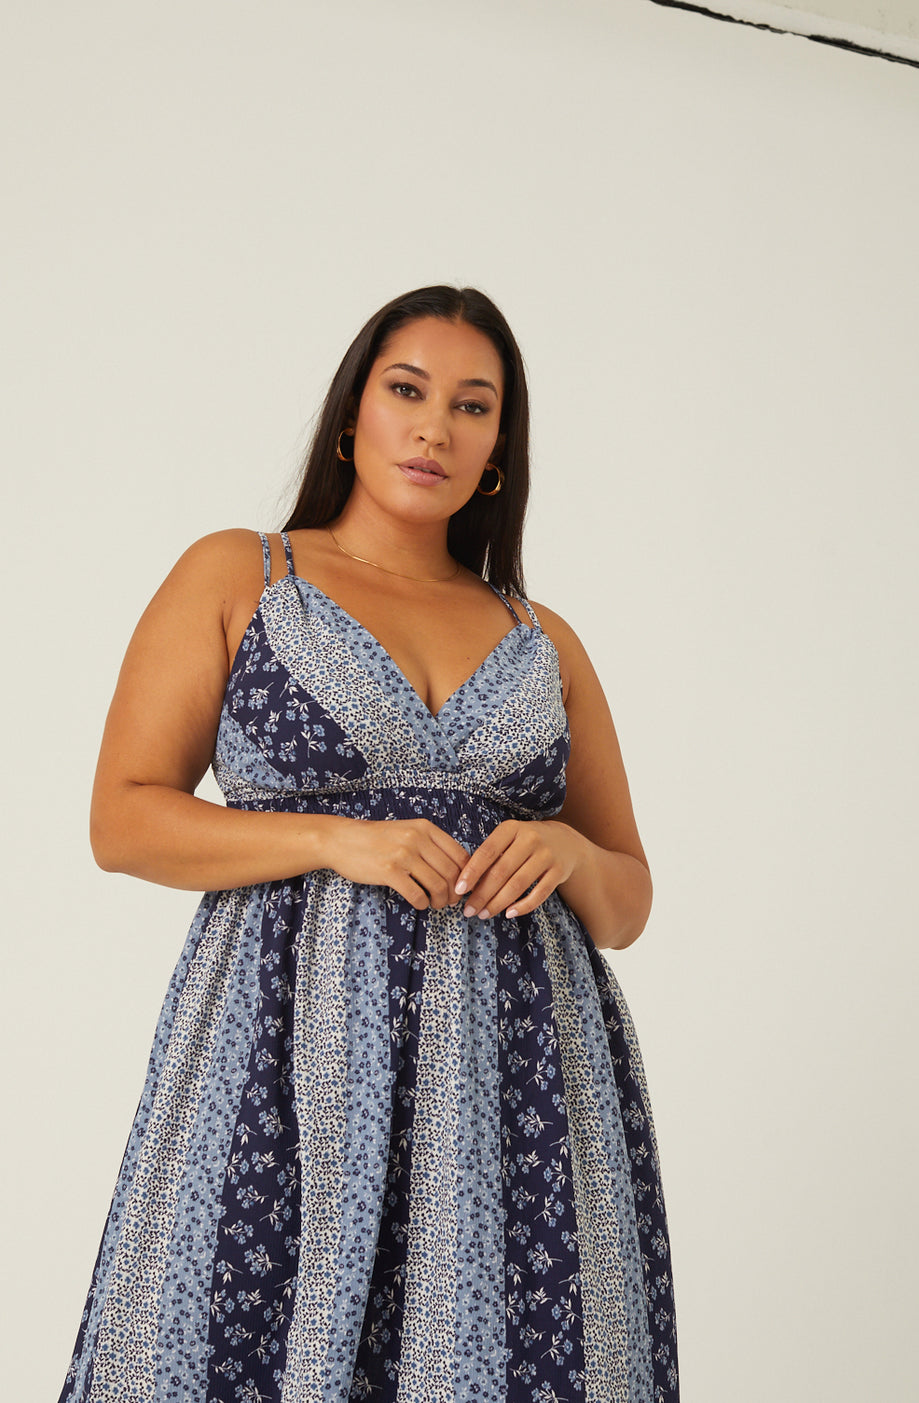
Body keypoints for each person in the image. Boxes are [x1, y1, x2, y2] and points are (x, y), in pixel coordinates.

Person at [59, 285, 679, 1403]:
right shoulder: (244, 575)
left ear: (499, 449)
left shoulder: (543, 639)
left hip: (515, 1081)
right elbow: (123, 817)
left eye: (473, 406)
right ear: (353, 414)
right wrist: (336, 841)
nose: (436, 427)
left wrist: (572, 856)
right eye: (408, 390)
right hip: (279, 1058)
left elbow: (626, 899)